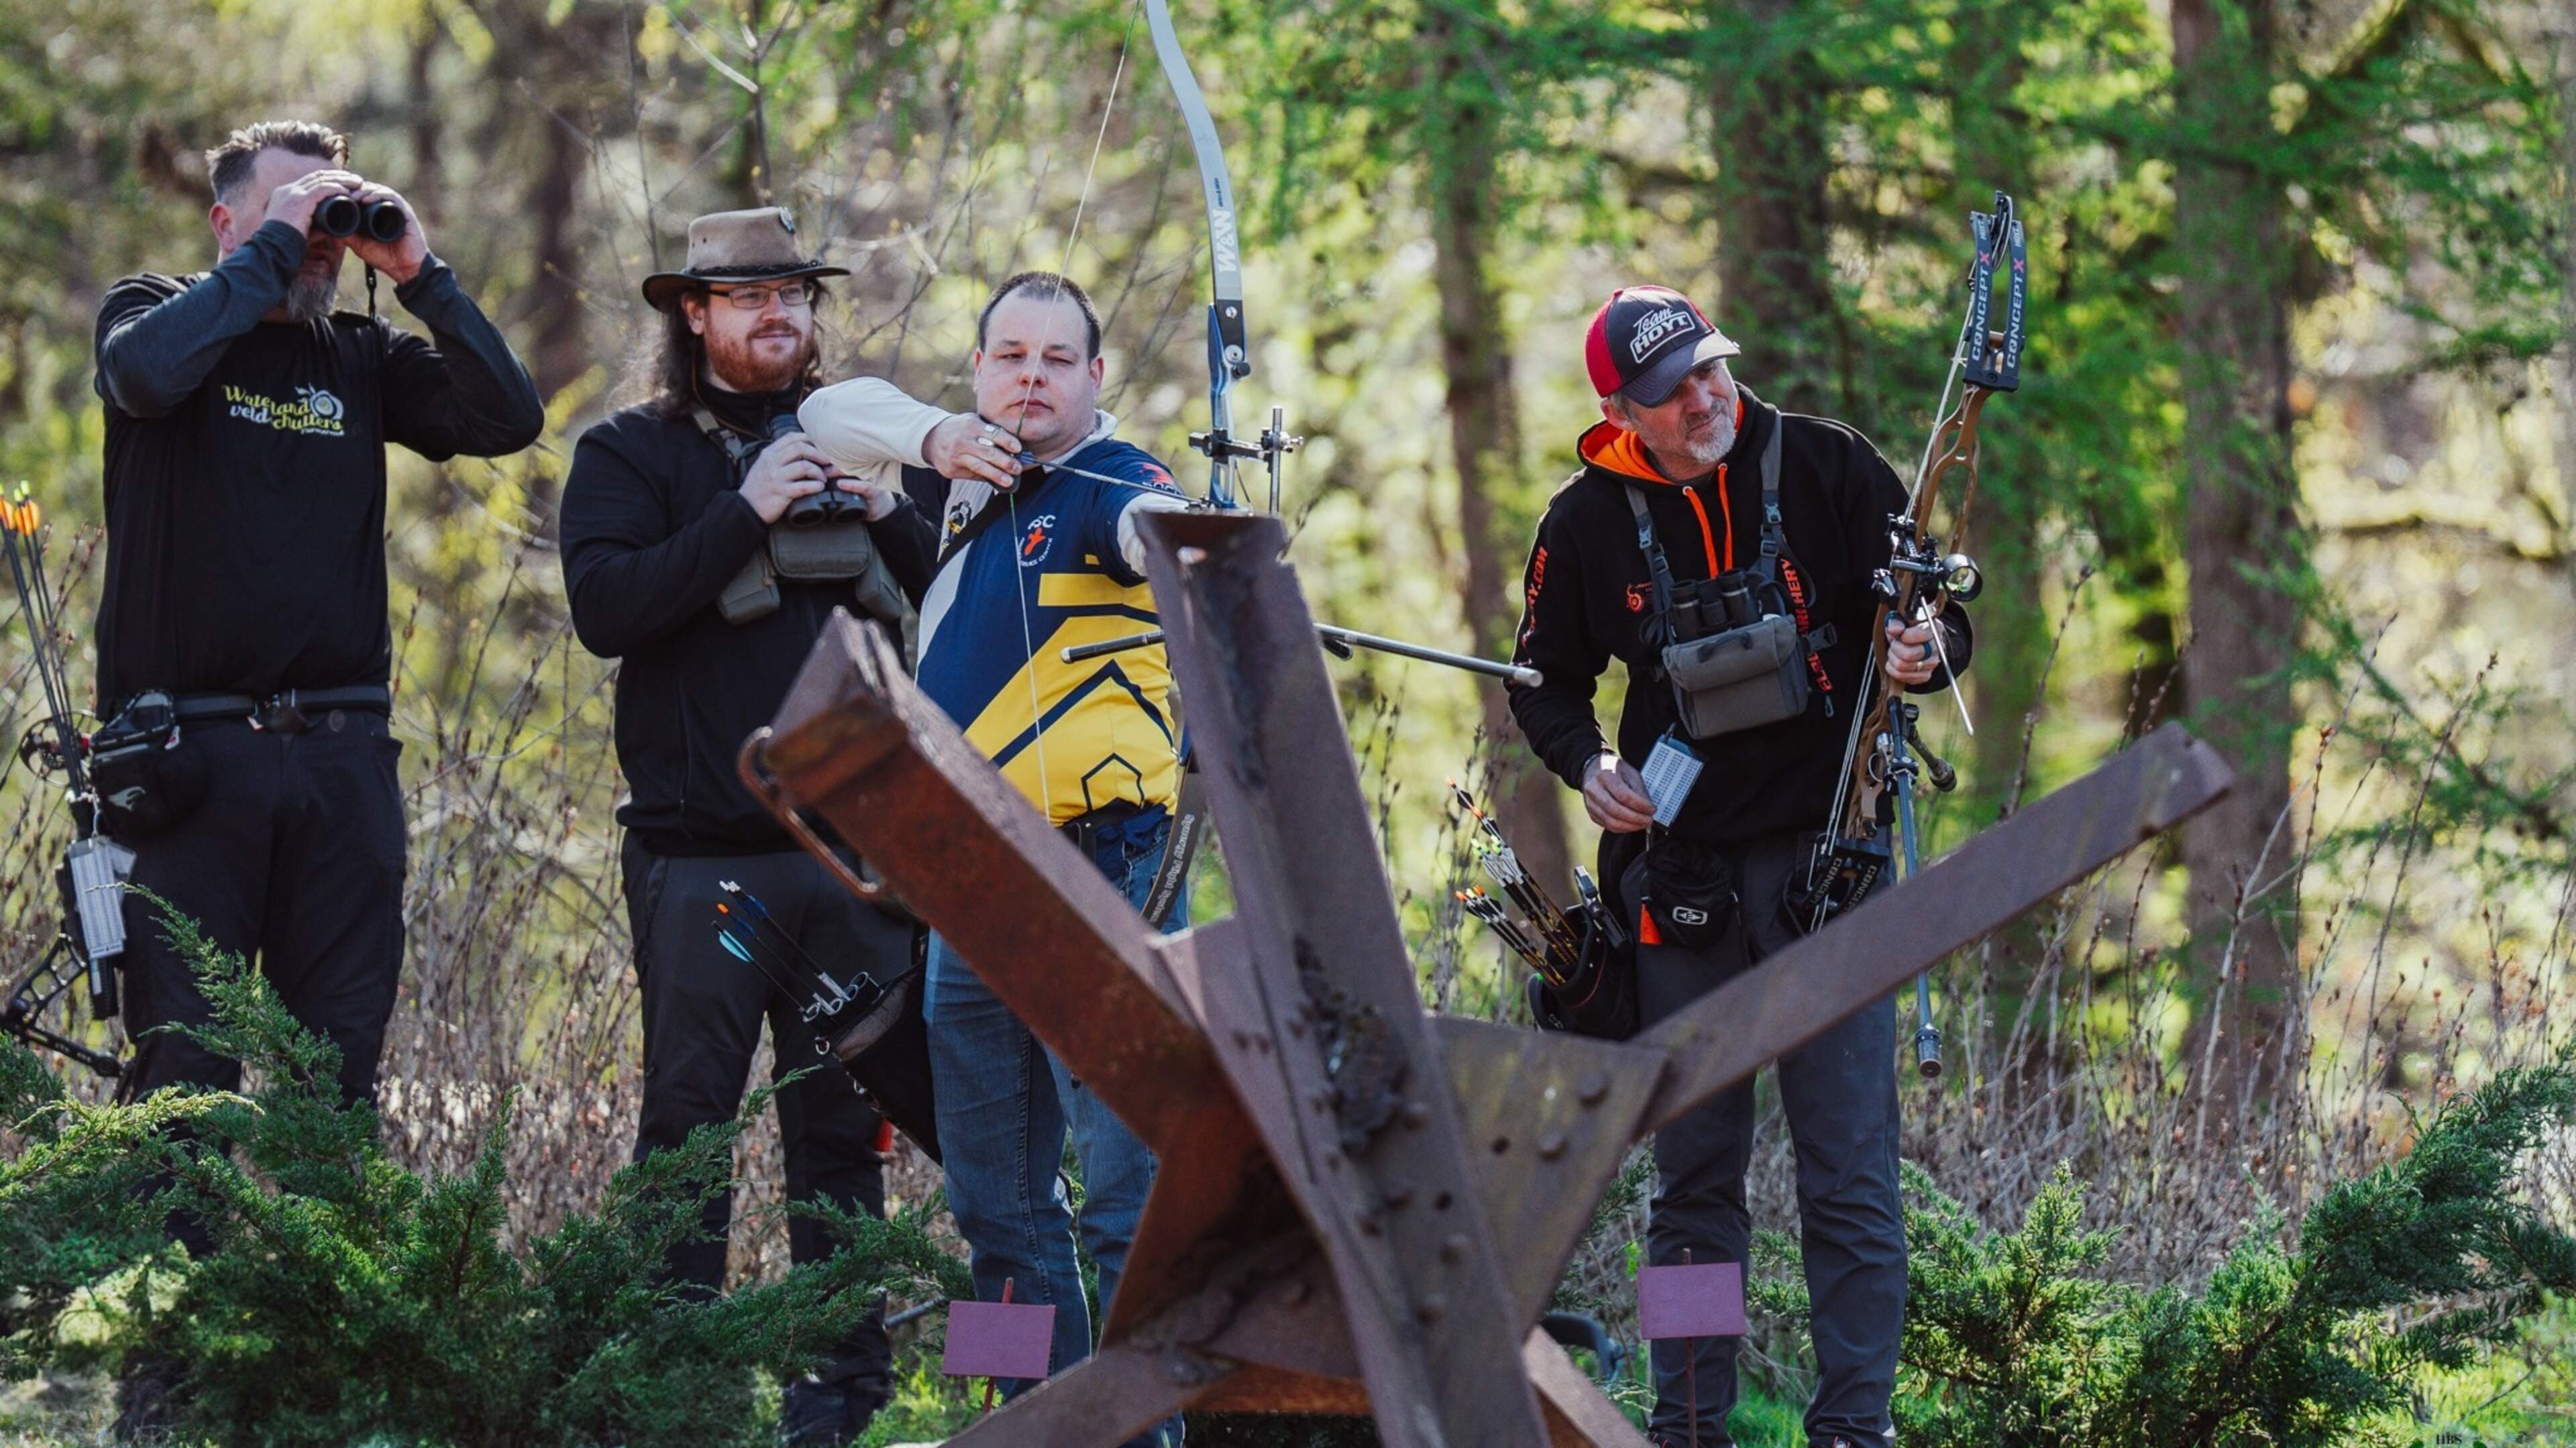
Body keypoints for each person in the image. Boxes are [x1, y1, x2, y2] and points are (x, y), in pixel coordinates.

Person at [1508, 286, 1972, 1448]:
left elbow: (1940, 612)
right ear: (1623, 410)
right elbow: (1544, 687)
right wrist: (1591, 763)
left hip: (1835, 870)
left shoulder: (1827, 464)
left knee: (1850, 1180)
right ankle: (1689, 1429)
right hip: (1682, 891)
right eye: (1676, 390)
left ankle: (1854, 1430)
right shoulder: (1582, 522)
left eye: (1714, 368)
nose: (1710, 397)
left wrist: (1926, 650)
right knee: (1693, 1192)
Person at [558, 207, 936, 1445]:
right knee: (684, 1139)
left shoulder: (876, 436)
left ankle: (841, 1404)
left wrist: (877, 503)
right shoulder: (628, 453)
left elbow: (961, 594)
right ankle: (678, 1392)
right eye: (750, 296)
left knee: (845, 1140)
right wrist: (747, 508)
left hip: (866, 870)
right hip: (699, 864)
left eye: (796, 294)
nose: (780, 313)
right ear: (695, 314)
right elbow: (607, 610)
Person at [798, 270, 1191, 1447]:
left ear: (1094, 377)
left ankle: (1147, 1433)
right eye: (1009, 356)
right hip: (971, 883)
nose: (1031, 377)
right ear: (978, 371)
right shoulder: (968, 474)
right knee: (995, 1206)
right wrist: (937, 440)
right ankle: (1023, 1423)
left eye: (1056, 359)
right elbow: (823, 420)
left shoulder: (1114, 480)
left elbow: (1154, 532)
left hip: (1095, 871)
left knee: (1124, 1197)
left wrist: (1169, 544)